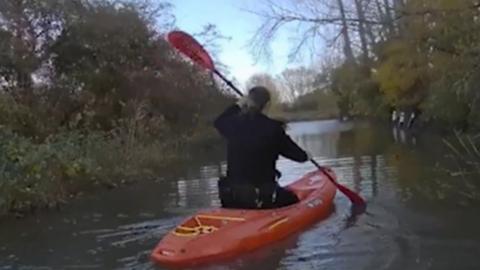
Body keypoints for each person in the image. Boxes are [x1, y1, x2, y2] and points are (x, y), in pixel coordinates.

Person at [214, 86, 309, 209]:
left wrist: (238, 104)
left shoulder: (233, 124)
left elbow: (219, 122)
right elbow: (297, 155)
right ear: (268, 104)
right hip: (263, 198)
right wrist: (306, 155)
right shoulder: (274, 129)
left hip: (232, 198)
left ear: (248, 101)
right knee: (294, 200)